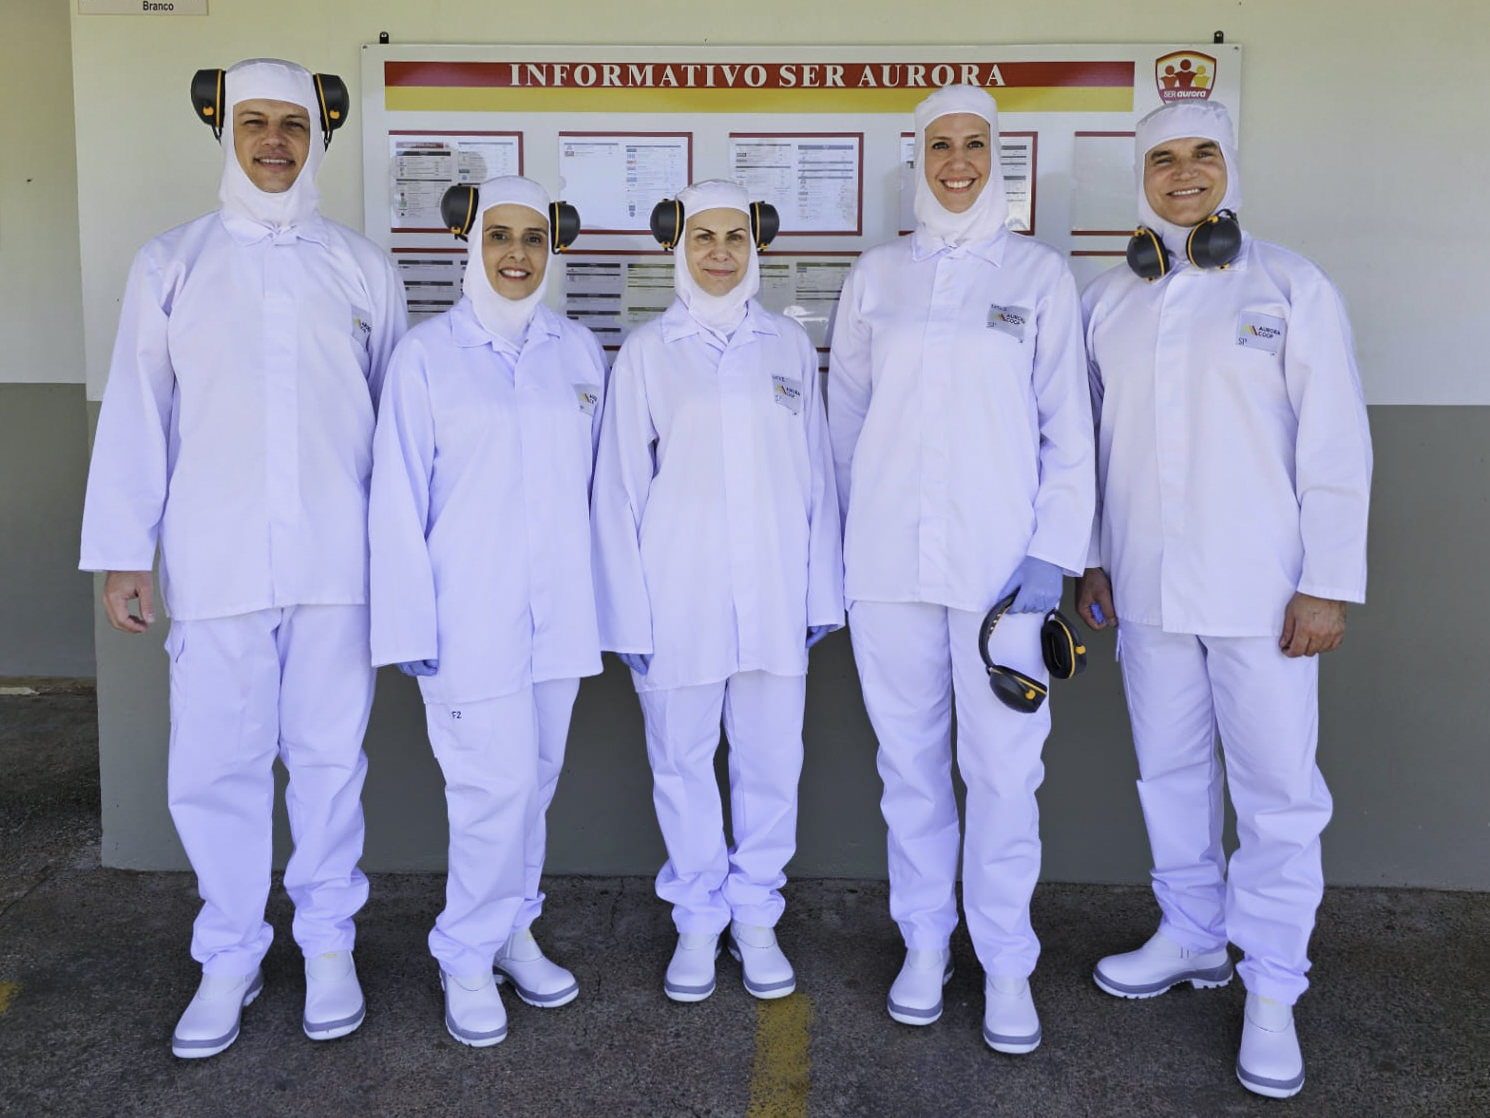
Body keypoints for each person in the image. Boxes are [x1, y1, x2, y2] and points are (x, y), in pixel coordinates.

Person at [79, 58, 406, 1058]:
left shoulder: (360, 267)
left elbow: (397, 427)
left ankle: (327, 942)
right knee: (214, 765)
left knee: (326, 762)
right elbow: (139, 412)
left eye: (293, 125)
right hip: (213, 558)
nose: (274, 141)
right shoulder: (169, 262)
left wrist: (398, 561)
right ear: (225, 132)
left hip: (335, 565)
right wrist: (122, 555)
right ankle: (229, 950)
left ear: (318, 136)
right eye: (255, 123)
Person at [1077, 100, 1372, 1099]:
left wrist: (1326, 582)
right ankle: (1191, 934)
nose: (1183, 173)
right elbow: (1087, 443)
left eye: (1202, 154)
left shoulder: (1290, 284)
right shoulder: (1109, 298)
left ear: (1228, 167)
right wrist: (1091, 558)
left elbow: (1333, 442)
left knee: (1277, 795)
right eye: (1162, 159)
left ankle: (1272, 985)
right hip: (1147, 586)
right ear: (1140, 178)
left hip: (1263, 594)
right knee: (1167, 774)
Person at [827, 84, 1094, 1053]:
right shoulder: (876, 277)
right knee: (908, 772)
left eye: (972, 144)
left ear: (996, 155)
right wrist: (850, 541)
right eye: (938, 144)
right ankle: (924, 943)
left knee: (1001, 774)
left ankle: (1008, 965)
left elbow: (1070, 428)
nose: (955, 162)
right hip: (889, 569)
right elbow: (845, 422)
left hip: (1000, 580)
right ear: (917, 156)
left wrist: (1050, 556)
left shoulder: (1037, 277)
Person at [590, 179, 842, 1004]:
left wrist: (819, 594)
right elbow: (618, 488)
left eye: (736, 237)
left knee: (773, 762)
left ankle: (756, 917)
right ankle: (698, 920)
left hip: (775, 591)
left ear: (757, 245)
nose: (722, 253)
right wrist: (625, 606)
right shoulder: (648, 351)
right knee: (682, 763)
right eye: (705, 237)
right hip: (678, 595)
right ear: (677, 245)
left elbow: (818, 479)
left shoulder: (787, 348)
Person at [368, 176, 606, 1047]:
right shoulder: (428, 357)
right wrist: (407, 624)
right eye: (500, 236)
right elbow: (394, 497)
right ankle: (462, 952)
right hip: (465, 616)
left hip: (559, 618)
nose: (516, 254)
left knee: (533, 784)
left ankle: (512, 930)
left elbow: (599, 495)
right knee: (487, 791)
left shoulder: (578, 353)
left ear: (554, 250)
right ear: (469, 244)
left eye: (534, 239)